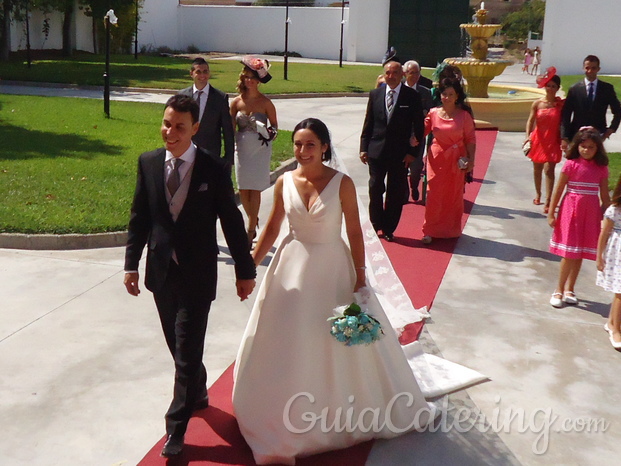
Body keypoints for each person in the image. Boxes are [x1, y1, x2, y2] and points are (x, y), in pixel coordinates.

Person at [233, 118, 436, 464]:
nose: (302, 151)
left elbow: (355, 233)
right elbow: (271, 228)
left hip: (332, 270)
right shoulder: (284, 182)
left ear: (325, 147)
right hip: (290, 268)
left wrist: (360, 275)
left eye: (310, 144)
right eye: (297, 144)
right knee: (287, 336)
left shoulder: (341, 183)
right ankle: (277, 407)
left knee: (332, 340)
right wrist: (248, 265)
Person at [123, 95, 256, 457]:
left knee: (185, 350)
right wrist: (131, 264)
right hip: (162, 273)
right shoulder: (148, 163)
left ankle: (176, 429)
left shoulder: (213, 170)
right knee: (179, 348)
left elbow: (231, 222)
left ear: (195, 129)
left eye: (180, 126)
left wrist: (245, 271)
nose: (170, 132)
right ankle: (197, 386)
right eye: (167, 124)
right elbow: (140, 218)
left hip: (198, 276)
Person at [360, 58, 425, 242]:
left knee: (395, 193)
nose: (391, 76)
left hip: (400, 155)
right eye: (388, 73)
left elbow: (419, 128)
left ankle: (389, 228)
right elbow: (369, 123)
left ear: (402, 75)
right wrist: (363, 147)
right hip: (376, 151)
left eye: (395, 73)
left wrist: (412, 153)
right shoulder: (375, 94)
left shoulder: (411, 97)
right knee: (375, 189)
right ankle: (375, 223)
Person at [548, 127, 610, 308]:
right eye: (583, 146)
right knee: (569, 252)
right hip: (571, 210)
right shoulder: (571, 164)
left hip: (591, 213)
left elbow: (605, 196)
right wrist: (552, 212)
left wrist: (608, 216)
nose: (586, 150)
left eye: (591, 147)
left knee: (580, 251)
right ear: (577, 146)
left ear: (597, 148)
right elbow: (558, 190)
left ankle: (570, 289)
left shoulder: (601, 168)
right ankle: (558, 289)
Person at [421, 77, 476, 245]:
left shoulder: (464, 116)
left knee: (453, 195)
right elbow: (421, 131)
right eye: (444, 94)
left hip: (457, 160)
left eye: (451, 94)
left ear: (457, 96)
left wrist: (471, 161)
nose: (447, 97)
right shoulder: (433, 113)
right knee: (434, 194)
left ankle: (450, 229)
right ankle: (429, 230)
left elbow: (471, 140)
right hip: (437, 159)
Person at [230, 56, 278, 245]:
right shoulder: (236, 103)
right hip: (241, 147)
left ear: (259, 81)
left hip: (259, 148)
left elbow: (275, 126)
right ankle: (253, 217)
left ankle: (250, 229)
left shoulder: (266, 103)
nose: (249, 80)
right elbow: (229, 126)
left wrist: (268, 133)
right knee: (243, 188)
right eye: (246, 77)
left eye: (253, 77)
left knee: (255, 188)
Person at [179, 57, 235, 171]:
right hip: (185, 151)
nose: (202, 76)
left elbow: (227, 130)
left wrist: (229, 158)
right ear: (191, 74)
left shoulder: (220, 98)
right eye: (198, 72)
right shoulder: (182, 96)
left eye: (205, 72)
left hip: (211, 153)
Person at [561, 55, 621, 151]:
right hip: (577, 134)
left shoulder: (607, 88)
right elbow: (566, 114)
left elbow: (618, 111)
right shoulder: (574, 89)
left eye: (593, 68)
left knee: (596, 164)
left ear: (598, 69)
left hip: (598, 134)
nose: (590, 71)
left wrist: (611, 129)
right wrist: (564, 137)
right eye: (587, 68)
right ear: (583, 68)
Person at [524, 67, 564, 213]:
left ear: (558, 88)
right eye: (549, 86)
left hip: (553, 139)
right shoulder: (537, 104)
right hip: (538, 138)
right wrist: (528, 136)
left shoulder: (560, 105)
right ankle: (538, 193)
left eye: (554, 86)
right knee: (537, 168)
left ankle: (548, 200)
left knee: (549, 169)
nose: (551, 89)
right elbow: (530, 121)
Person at [596, 174, 621, 349]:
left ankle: (612, 322)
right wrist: (599, 256)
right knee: (620, 291)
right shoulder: (615, 210)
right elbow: (604, 234)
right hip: (617, 253)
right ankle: (615, 328)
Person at [403, 60, 434, 202]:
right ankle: (403, 194)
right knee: (400, 167)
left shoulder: (425, 93)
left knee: (415, 167)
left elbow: (430, 114)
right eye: (412, 73)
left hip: (417, 136)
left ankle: (414, 186)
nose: (415, 76)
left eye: (417, 73)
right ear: (405, 74)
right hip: (400, 136)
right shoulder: (398, 91)